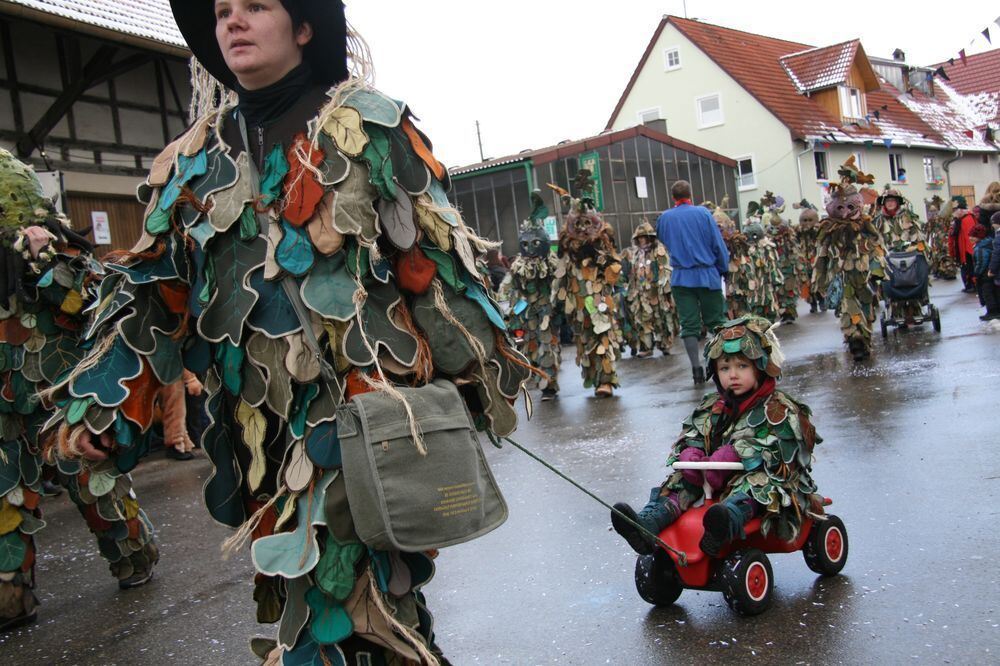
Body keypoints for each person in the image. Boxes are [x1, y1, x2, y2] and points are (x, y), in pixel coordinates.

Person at [44, 1, 531, 663]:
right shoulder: (192, 163)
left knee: (359, 596)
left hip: (370, 410)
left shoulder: (370, 127)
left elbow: (435, 264)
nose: (232, 22)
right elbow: (151, 292)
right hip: (261, 434)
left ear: (303, 28)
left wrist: (476, 380)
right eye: (221, 12)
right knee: (321, 588)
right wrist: (108, 402)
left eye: (255, 6)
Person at [0, 149, 158, 631]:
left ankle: (135, 553)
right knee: (7, 502)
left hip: (60, 398)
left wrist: (46, 264)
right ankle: (12, 593)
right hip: (6, 410)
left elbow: (91, 303)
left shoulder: (57, 256)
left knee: (97, 491)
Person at [610, 317, 823, 557]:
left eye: (742, 366)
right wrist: (692, 451)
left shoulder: (778, 408)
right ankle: (647, 525)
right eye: (725, 368)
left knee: (757, 485)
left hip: (758, 478)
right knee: (682, 480)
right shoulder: (714, 406)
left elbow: (781, 451)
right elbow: (696, 432)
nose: (733, 375)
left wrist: (736, 453)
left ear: (760, 366)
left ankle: (724, 523)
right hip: (713, 475)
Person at [552, 172, 623, 397]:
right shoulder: (567, 248)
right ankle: (595, 379)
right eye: (578, 223)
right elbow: (561, 274)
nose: (583, 228)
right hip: (578, 302)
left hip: (600, 297)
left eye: (587, 223)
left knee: (602, 334)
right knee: (584, 339)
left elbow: (614, 271)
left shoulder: (601, 244)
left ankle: (607, 381)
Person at [811, 157, 886, 361]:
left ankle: (863, 337)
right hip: (841, 275)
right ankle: (854, 340)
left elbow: (877, 246)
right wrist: (819, 278)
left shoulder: (865, 226)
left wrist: (878, 268)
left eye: (849, 208)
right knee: (847, 307)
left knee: (865, 307)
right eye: (840, 208)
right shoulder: (829, 229)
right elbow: (822, 255)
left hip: (863, 275)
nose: (845, 213)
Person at [656, 180, 730, 384]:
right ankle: (721, 364)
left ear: (673, 197)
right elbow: (718, 245)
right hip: (707, 275)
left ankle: (696, 369)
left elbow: (663, 240)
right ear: (691, 194)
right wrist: (724, 269)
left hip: (681, 277)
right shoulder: (704, 214)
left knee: (689, 325)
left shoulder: (664, 218)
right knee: (716, 321)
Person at [499, 213, 561, 401]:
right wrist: (505, 305)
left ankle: (549, 385)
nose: (530, 249)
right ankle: (541, 379)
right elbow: (507, 286)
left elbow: (560, 284)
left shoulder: (551, 263)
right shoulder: (518, 265)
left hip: (547, 313)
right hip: (526, 313)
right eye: (526, 244)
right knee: (531, 348)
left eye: (535, 244)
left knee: (547, 346)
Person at [620, 221, 678, 357]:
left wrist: (662, 289)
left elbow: (665, 271)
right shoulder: (636, 254)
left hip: (656, 291)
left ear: (649, 237)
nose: (641, 240)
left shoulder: (659, 250)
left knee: (660, 318)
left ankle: (664, 344)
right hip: (640, 292)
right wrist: (632, 289)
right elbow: (633, 273)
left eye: (643, 237)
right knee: (643, 319)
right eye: (639, 238)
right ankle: (646, 347)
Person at [873, 188, 927, 324]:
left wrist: (916, 246)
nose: (890, 203)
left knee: (914, 277)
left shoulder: (907, 216)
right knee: (891, 283)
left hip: (909, 255)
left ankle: (916, 308)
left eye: (893, 200)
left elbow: (917, 235)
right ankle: (896, 311)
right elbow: (874, 239)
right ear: (883, 203)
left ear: (897, 202)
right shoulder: (878, 221)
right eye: (887, 201)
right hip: (888, 257)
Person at [793, 199, 824, 312]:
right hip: (804, 261)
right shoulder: (799, 232)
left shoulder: (818, 230)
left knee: (818, 280)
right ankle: (813, 304)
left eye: (809, 220)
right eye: (804, 220)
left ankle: (822, 301)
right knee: (807, 282)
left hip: (815, 259)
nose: (807, 223)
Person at [949, 196, 977, 293]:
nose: (954, 212)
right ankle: (969, 285)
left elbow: (970, 236)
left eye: (955, 209)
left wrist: (971, 251)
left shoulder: (967, 219)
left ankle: (972, 285)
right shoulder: (958, 220)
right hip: (962, 250)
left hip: (967, 250)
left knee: (970, 268)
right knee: (966, 268)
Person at [971, 224, 996, 320]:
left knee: (987, 293)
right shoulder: (985, 244)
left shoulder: (981, 248)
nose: (970, 238)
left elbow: (981, 262)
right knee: (989, 292)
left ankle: (992, 311)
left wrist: (976, 273)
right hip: (987, 273)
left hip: (984, 274)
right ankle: (992, 310)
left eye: (973, 236)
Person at [988, 212, 1000, 320]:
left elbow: (996, 254)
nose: (992, 225)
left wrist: (992, 269)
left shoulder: (998, 237)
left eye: (993, 223)